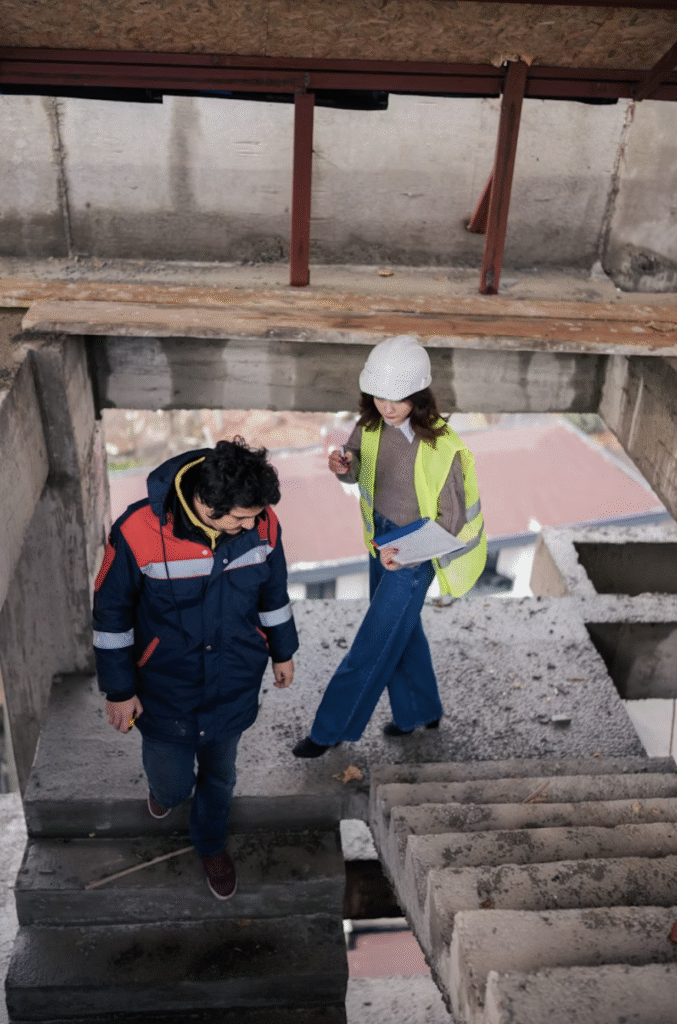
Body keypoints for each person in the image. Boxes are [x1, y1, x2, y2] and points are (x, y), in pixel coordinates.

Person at [93, 438, 298, 898]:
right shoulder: (137, 530)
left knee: (221, 775)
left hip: (235, 680)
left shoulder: (263, 523)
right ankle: (164, 796)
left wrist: (283, 651)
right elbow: (110, 616)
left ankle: (210, 844)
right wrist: (119, 690)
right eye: (240, 519)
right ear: (206, 504)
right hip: (165, 689)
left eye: (255, 515)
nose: (253, 524)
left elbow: (274, 593)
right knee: (172, 785)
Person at [292, 335, 486, 758]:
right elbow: (359, 473)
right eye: (379, 396)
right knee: (404, 630)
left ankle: (328, 731)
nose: (387, 406)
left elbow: (450, 521)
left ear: (419, 394)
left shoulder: (443, 447)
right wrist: (343, 466)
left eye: (397, 398)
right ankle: (421, 710)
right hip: (380, 541)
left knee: (375, 639)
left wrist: (407, 554)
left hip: (416, 553)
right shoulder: (370, 427)